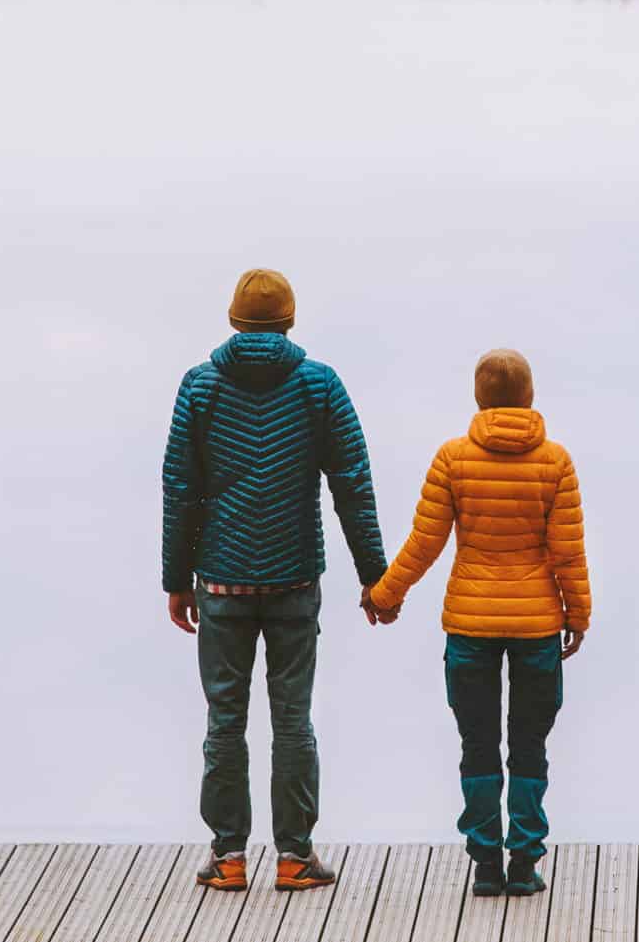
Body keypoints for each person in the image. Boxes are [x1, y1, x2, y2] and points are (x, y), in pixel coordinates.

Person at [162, 268, 390, 893]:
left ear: (234, 321)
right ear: (289, 321)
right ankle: (293, 858)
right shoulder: (320, 386)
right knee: (294, 719)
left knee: (223, 720)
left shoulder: (200, 387)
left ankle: (229, 858)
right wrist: (375, 576)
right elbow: (352, 486)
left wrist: (175, 579)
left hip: (222, 583)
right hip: (293, 581)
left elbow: (180, 491)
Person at [362, 348, 591, 898]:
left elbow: (426, 542)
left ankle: (486, 864)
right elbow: (568, 553)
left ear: (478, 398)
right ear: (530, 396)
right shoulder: (555, 462)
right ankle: (524, 863)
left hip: (470, 625)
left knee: (478, 743)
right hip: (537, 625)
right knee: (529, 745)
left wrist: (385, 594)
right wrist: (577, 614)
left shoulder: (453, 458)